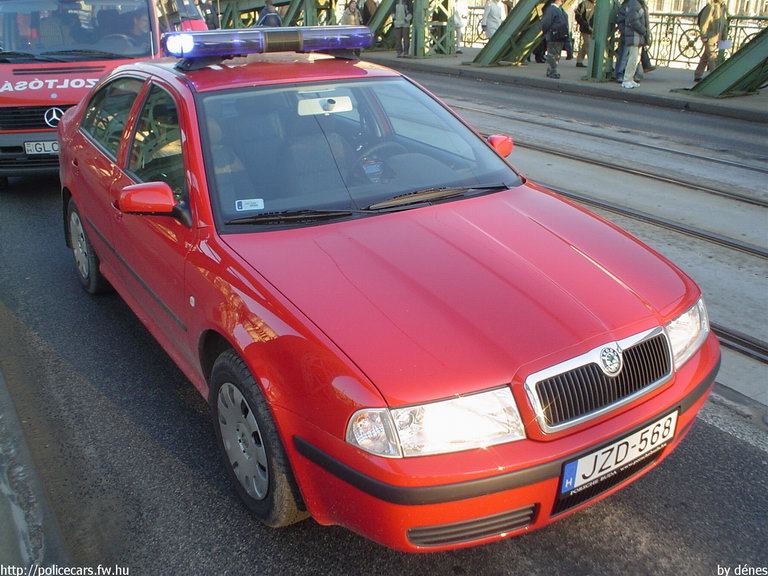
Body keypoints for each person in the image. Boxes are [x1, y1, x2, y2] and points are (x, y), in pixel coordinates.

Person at [694, 0, 727, 82]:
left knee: (705, 56)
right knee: (713, 57)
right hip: (709, 37)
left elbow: (724, 24)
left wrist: (724, 37)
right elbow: (704, 23)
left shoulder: (723, 7)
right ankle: (714, 77)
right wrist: (704, 36)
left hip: (717, 37)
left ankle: (697, 75)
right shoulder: (711, 7)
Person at [619, 0, 647, 88]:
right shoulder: (635, 4)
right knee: (633, 58)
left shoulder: (635, 3)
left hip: (636, 35)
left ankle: (630, 79)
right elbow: (632, 20)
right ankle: (627, 79)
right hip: (634, 35)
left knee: (635, 59)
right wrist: (643, 30)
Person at [541, 0, 569, 79]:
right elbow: (546, 23)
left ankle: (550, 70)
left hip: (558, 36)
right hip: (554, 35)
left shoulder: (558, 9)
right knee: (552, 55)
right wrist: (547, 33)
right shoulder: (552, 9)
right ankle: (553, 71)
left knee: (556, 55)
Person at [575, 0, 594, 67]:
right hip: (586, 29)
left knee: (585, 45)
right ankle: (592, 62)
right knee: (588, 44)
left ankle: (579, 61)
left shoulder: (594, 5)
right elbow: (578, 16)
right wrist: (585, 24)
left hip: (591, 28)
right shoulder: (584, 4)